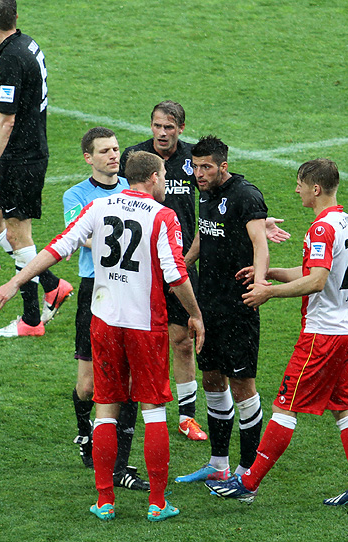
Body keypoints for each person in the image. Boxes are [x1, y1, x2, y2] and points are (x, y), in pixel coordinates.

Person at [0, 151, 205, 522]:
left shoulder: (100, 207)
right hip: (145, 325)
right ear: (153, 177)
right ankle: (157, 503)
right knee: (153, 410)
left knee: (105, 409)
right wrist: (195, 314)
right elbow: (175, 274)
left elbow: (58, 247)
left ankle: (105, 501)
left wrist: (15, 282)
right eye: (165, 177)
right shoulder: (163, 216)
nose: (166, 183)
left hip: (104, 322)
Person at [205, 158, 348, 508]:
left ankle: (248, 482)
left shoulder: (321, 229)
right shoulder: (343, 220)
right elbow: (314, 270)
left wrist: (269, 293)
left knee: (285, 406)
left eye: (300, 184)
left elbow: (317, 280)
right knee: (343, 407)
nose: (296, 190)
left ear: (316, 188)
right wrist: (271, 272)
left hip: (321, 336)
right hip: (346, 329)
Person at [175, 135, 270, 484]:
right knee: (212, 381)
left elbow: (260, 243)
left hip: (238, 307)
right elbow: (203, 237)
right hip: (208, 305)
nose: (199, 173)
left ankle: (247, 472)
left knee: (243, 386)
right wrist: (181, 267)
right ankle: (218, 464)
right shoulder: (205, 193)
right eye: (196, 167)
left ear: (223, 166)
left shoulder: (245, 195)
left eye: (206, 167)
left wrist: (260, 282)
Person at [0, 0, 72, 338]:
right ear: (16, 16)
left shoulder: (10, 59)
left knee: (18, 234)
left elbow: (7, 119)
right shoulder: (27, 43)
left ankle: (31, 321)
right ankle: (52, 284)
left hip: (22, 158)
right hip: (25, 152)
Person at [66, 127, 149, 491]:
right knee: (88, 386)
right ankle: (85, 431)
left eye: (115, 149)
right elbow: (79, 236)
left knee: (128, 383)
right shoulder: (76, 195)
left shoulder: (132, 189)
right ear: (89, 157)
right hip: (95, 291)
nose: (114, 155)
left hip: (130, 291)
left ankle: (121, 466)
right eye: (105, 151)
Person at [119, 101, 207, 441]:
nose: (162, 133)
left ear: (181, 128)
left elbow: (212, 207)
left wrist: (188, 260)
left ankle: (186, 417)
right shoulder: (135, 157)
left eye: (169, 127)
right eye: (157, 126)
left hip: (180, 263)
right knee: (139, 341)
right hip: (139, 266)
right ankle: (137, 409)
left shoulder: (193, 159)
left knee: (183, 341)